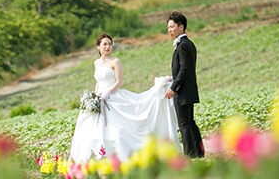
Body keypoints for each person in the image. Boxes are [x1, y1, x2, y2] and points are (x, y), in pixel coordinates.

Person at [69, 33, 179, 163]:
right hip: (99, 97)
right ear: (98, 46)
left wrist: (108, 94)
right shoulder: (96, 63)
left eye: (110, 44)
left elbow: (118, 81)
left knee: (117, 128)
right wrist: (94, 97)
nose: (107, 47)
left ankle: (120, 153)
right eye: (104, 44)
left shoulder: (115, 61)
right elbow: (98, 81)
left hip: (112, 96)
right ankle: (94, 156)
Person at [165, 11, 203, 158]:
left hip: (183, 91)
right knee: (190, 122)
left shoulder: (183, 45)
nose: (169, 30)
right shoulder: (188, 44)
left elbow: (185, 69)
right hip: (188, 89)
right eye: (168, 27)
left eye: (172, 27)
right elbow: (183, 68)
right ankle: (198, 152)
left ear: (181, 27)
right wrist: (172, 77)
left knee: (184, 124)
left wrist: (174, 88)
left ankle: (190, 154)